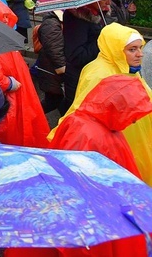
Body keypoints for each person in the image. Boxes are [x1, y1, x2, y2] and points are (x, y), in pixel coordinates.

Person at [51, 23, 152, 185]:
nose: (140, 54)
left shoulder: (127, 69)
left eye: (140, 48)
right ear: (115, 48)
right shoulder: (98, 73)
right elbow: (83, 110)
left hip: (132, 140)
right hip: (112, 144)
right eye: (132, 49)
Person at [0, 0, 50, 148]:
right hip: (7, 101)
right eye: (1, 16)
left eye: (6, 16)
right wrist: (8, 83)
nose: (5, 20)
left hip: (17, 97)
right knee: (10, 137)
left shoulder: (1, 40)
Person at [61, 2, 109, 115]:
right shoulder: (77, 18)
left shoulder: (100, 13)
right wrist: (102, 39)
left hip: (93, 76)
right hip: (79, 79)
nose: (108, 2)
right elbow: (77, 56)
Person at [34, 10, 66, 114]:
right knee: (53, 101)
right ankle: (31, 119)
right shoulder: (51, 24)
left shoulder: (56, 22)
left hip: (52, 71)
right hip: (52, 72)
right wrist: (64, 69)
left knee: (58, 101)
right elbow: (54, 50)